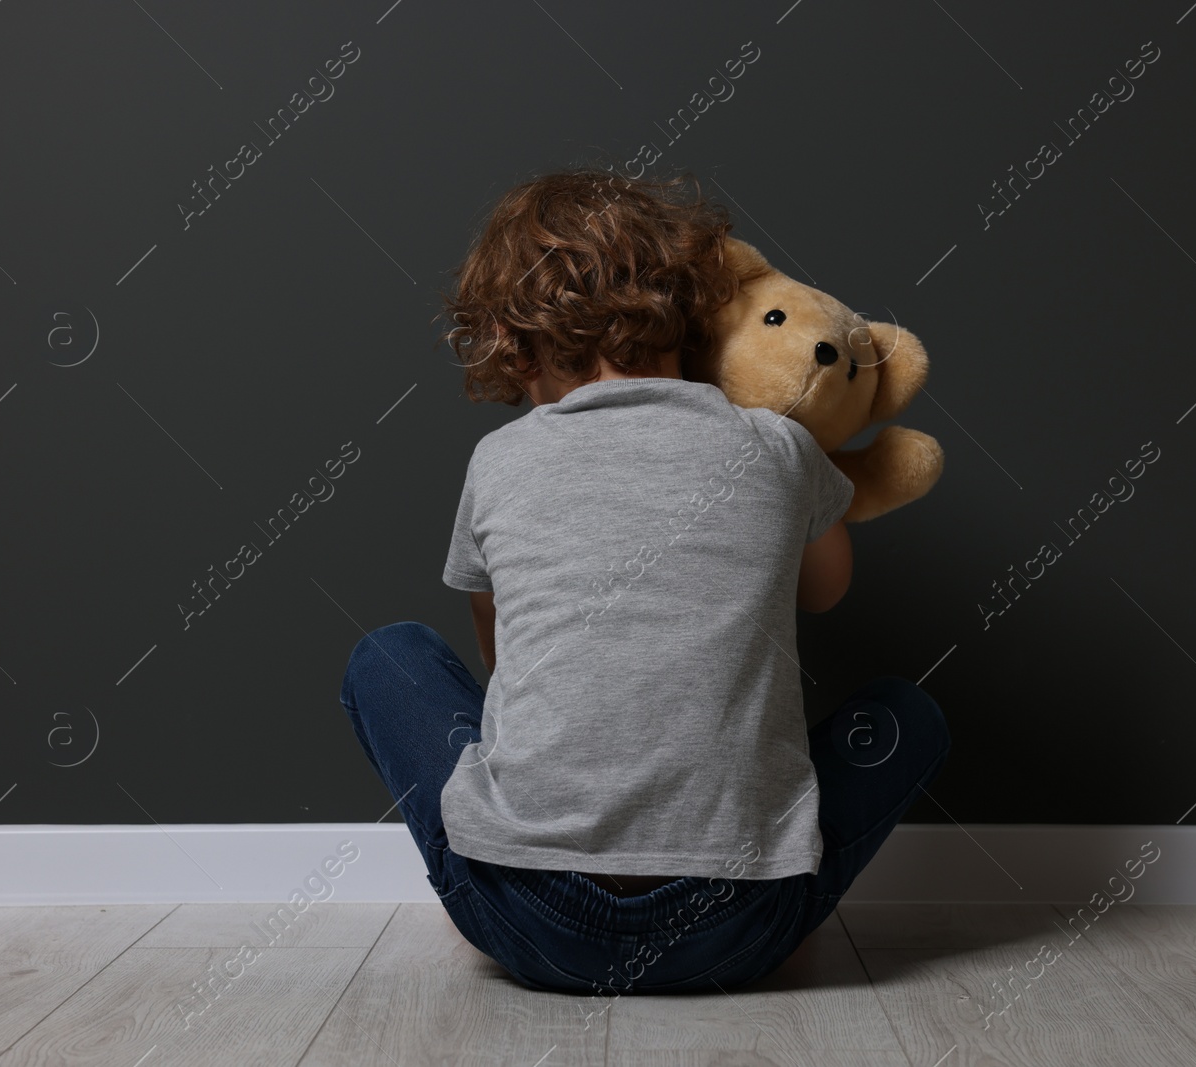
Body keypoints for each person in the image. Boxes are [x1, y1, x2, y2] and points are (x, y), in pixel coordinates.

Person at [338, 169, 950, 996]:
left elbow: (502, 660)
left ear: (515, 347)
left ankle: (506, 861)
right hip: (736, 927)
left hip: (532, 922)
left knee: (391, 654)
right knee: (906, 715)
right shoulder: (775, 446)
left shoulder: (498, 461)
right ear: (696, 319)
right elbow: (826, 588)